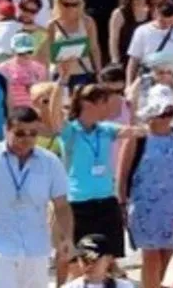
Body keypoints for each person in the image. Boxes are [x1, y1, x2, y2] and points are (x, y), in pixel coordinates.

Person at [0, 106, 75, 287]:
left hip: (36, 246)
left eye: (33, 134)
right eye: (20, 133)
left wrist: (66, 237)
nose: (26, 139)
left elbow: (61, 206)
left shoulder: (50, 162)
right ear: (7, 130)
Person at [61, 85, 139, 276]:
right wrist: (61, 81)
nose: (109, 109)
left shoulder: (106, 129)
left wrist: (137, 110)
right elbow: (54, 118)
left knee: (108, 257)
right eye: (104, 103)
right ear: (88, 104)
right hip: (79, 202)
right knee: (80, 261)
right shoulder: (71, 131)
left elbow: (133, 131)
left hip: (106, 200)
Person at [119, 86, 173, 288]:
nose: (168, 117)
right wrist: (121, 204)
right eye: (163, 112)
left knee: (171, 254)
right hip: (145, 207)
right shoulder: (138, 138)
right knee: (150, 256)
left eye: (170, 112)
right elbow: (122, 175)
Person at [126, 0, 173, 84]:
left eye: (170, 22)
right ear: (156, 13)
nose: (166, 25)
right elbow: (134, 60)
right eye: (162, 21)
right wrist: (129, 84)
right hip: (149, 80)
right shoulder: (142, 31)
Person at [48, 0, 102, 91]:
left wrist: (98, 71)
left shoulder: (87, 22)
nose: (71, 8)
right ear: (59, 4)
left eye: (75, 4)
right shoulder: (52, 25)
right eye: (66, 4)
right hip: (60, 73)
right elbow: (50, 52)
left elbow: (94, 48)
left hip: (82, 72)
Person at [66, 233, 138, 288]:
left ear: (109, 259)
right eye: (84, 261)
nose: (89, 266)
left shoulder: (124, 286)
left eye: (94, 260)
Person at [0, 33, 48, 109]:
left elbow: (44, 93)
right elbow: (1, 93)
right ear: (13, 51)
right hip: (12, 110)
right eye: (21, 53)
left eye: (29, 51)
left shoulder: (40, 68)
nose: (26, 55)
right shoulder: (3, 68)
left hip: (33, 111)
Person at [110, 0, 153, 69]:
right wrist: (115, 60)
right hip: (125, 59)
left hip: (146, 59)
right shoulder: (119, 13)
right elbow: (114, 39)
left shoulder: (151, 12)